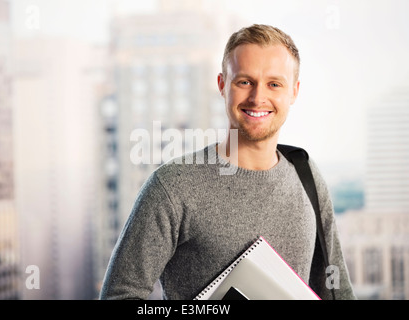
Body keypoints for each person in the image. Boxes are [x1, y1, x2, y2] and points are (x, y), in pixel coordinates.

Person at [99, 24, 356, 300]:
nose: (258, 98)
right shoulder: (173, 187)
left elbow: (335, 291)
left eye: (274, 84)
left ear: (293, 92)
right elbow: (119, 295)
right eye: (244, 82)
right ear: (222, 85)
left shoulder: (307, 176)